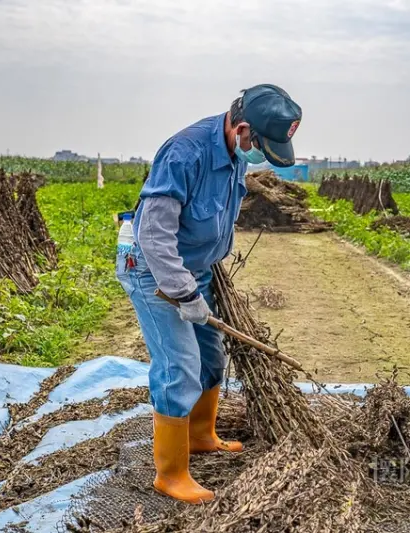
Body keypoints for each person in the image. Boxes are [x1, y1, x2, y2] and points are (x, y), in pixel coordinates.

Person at [116, 84, 302, 504]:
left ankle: (200, 435)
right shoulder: (185, 153)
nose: (261, 156)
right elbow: (154, 235)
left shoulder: (235, 153)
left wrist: (205, 273)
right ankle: (171, 473)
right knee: (179, 364)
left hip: (195, 268)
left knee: (211, 356)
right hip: (152, 268)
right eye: (262, 145)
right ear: (241, 128)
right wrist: (183, 294)